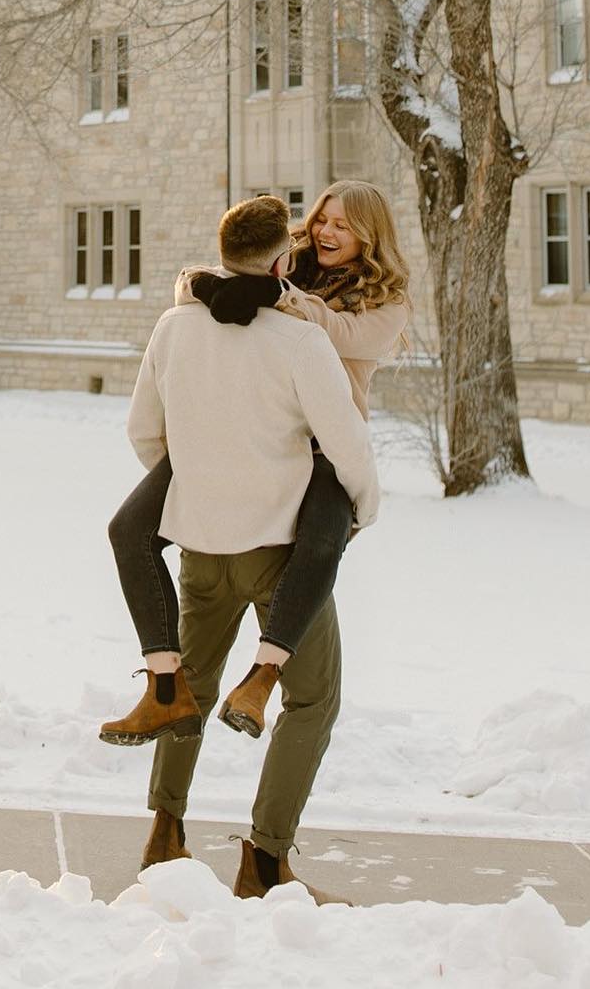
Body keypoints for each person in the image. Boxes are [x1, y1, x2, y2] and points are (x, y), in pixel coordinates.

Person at [115, 194, 382, 899]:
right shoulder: (299, 341)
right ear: (277, 262)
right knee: (313, 698)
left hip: (201, 549)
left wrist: (202, 482)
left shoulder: (174, 328)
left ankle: (164, 836)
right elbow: (346, 443)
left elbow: (145, 433)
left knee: (189, 691)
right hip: (279, 551)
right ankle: (264, 861)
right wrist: (364, 508)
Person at [100, 181, 410, 750]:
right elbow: (211, 271)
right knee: (127, 529)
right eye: (323, 219)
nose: (327, 232)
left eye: (343, 225)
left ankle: (263, 676)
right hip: (246, 437)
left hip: (320, 450)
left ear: (370, 236)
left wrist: (262, 293)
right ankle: (164, 687)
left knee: (323, 540)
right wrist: (218, 287)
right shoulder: (284, 258)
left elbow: (330, 330)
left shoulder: (384, 305)